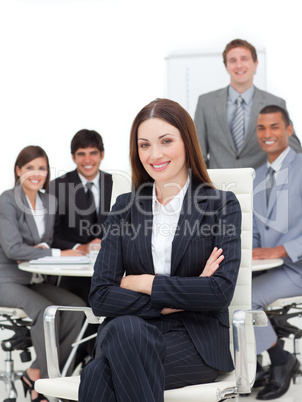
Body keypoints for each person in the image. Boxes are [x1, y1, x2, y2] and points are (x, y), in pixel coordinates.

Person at [78, 98, 242, 401]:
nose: (155, 154)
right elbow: (100, 296)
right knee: (126, 331)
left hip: (194, 340)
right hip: (130, 331)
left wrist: (142, 282)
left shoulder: (220, 205)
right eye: (144, 145)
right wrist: (181, 297)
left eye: (166, 141)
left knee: (98, 374)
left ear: (187, 142)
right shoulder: (125, 207)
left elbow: (219, 292)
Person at [0, 146, 86, 402]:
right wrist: (57, 254)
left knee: (76, 309)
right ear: (18, 170)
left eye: (41, 168)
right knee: (44, 310)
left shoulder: (50, 201)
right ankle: (48, 391)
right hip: (7, 280)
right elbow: (13, 248)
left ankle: (39, 373)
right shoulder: (7, 199)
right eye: (29, 168)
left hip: (35, 278)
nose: (36, 174)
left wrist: (44, 250)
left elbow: (45, 243)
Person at [252, 105, 302, 400]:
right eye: (261, 128)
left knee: (245, 300)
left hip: (296, 267)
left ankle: (281, 360)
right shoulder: (257, 175)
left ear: (289, 130)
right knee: (224, 289)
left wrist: (282, 248)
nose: (267, 134)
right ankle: (252, 365)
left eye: (274, 127)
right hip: (269, 265)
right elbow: (258, 228)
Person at [194, 39, 301, 169]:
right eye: (233, 60)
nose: (239, 65)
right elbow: (197, 153)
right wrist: (202, 185)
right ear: (226, 66)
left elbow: (294, 149)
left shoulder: (274, 102)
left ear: (255, 64)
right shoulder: (206, 102)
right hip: (218, 185)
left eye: (244, 59)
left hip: (262, 184)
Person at [48, 129, 113, 303]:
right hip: (71, 272)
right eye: (81, 154)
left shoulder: (115, 184)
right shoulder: (57, 187)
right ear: (73, 157)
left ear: (102, 154)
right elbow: (51, 236)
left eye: (93, 153)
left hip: (109, 270)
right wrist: (81, 247)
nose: (87, 160)